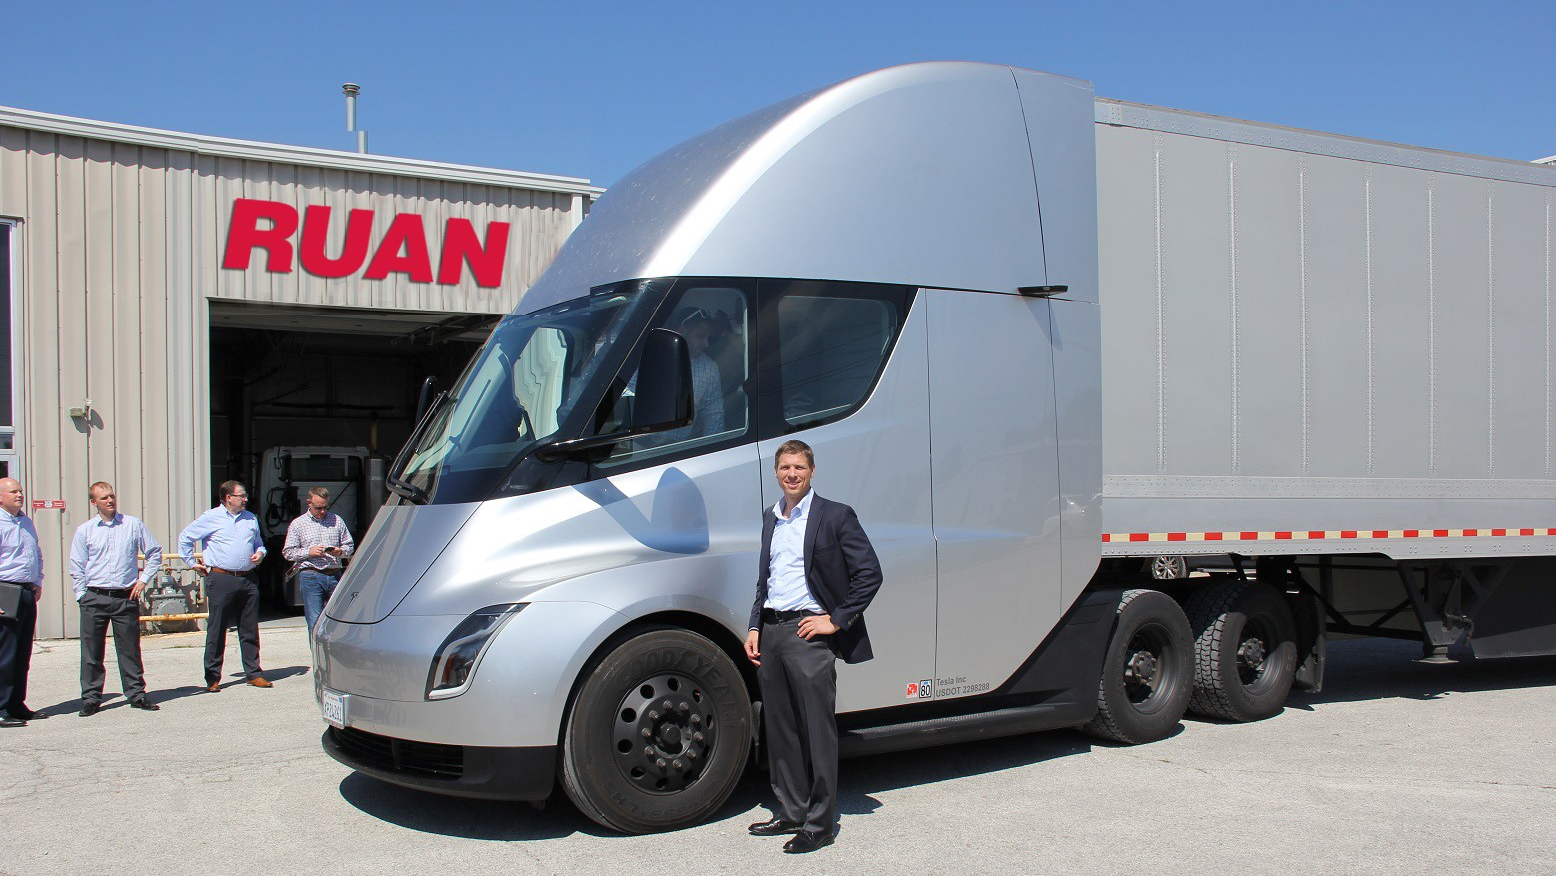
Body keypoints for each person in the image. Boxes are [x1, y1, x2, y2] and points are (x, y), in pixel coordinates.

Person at [744, 440, 883, 853]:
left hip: (809, 635)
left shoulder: (835, 515)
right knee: (781, 728)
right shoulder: (771, 517)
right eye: (785, 467)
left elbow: (869, 573)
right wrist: (754, 626)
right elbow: (765, 578)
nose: (792, 474)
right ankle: (791, 810)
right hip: (771, 633)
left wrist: (835, 620)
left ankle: (820, 825)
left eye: (799, 467)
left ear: (812, 470)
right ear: (775, 472)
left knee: (817, 731)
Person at [69, 482, 163, 715]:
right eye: (104, 498)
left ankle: (136, 694)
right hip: (94, 597)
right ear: (94, 503)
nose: (110, 500)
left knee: (130, 649)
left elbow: (154, 553)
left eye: (112, 495)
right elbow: (77, 565)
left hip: (124, 597)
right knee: (92, 651)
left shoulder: (132, 524)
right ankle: (91, 698)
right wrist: (81, 595)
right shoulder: (86, 530)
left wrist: (143, 580)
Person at [178, 480, 271, 691]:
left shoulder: (250, 519)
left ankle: (253, 672)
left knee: (248, 628)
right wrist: (192, 564)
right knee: (217, 627)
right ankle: (212, 677)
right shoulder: (211, 518)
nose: (246, 499)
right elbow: (185, 538)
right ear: (228, 498)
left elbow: (259, 543)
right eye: (242, 496)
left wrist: (260, 554)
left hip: (248, 578)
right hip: (221, 578)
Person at [282, 486, 354, 641]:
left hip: (334, 574)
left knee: (338, 619)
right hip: (311, 575)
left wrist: (339, 552)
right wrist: (310, 552)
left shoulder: (336, 520)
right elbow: (288, 552)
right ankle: (317, 660)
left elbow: (350, 546)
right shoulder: (298, 524)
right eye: (318, 508)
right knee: (315, 621)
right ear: (309, 503)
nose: (322, 511)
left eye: (325, 507)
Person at [0, 477, 44, 727]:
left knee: (22, 652)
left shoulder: (26, 522)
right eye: (13, 491)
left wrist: (37, 581)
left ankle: (17, 704)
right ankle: (1, 707)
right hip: (5, 590)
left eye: (20, 491)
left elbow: (35, 553)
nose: (19, 494)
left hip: (26, 592)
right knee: (5, 653)